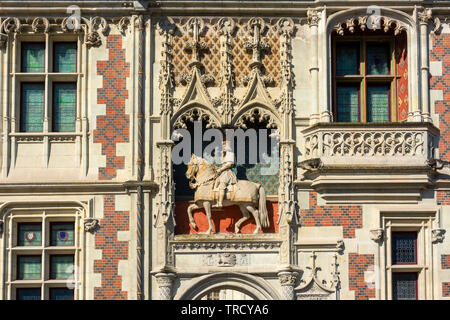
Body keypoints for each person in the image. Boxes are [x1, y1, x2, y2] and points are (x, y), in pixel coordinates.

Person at [212, 140, 237, 208]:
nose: (223, 147)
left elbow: (229, 164)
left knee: (222, 185)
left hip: (227, 173)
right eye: (222, 146)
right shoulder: (224, 154)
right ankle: (215, 200)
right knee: (215, 183)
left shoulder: (230, 154)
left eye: (224, 146)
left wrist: (220, 169)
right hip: (222, 172)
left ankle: (220, 203)